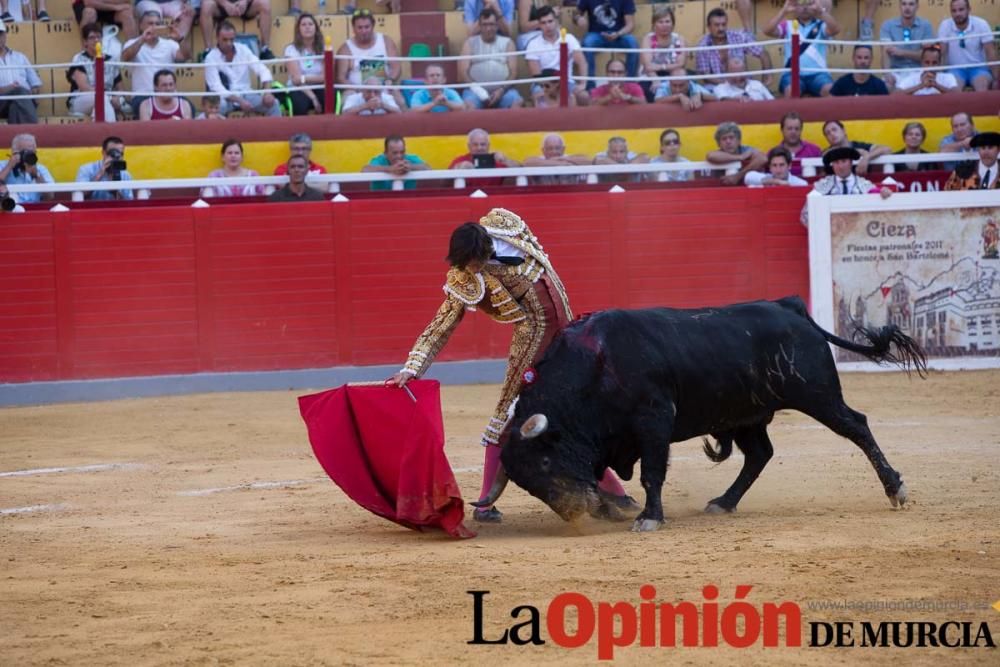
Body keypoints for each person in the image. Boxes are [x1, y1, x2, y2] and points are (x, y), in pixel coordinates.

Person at [388, 209, 637, 523]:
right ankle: (485, 505)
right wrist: (413, 367)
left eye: (476, 262)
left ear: (486, 249)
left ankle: (614, 493)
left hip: (568, 333)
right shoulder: (465, 277)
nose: (473, 269)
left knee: (575, 415)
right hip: (533, 340)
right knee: (509, 413)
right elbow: (442, 325)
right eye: (466, 265)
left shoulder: (506, 227)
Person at [763, 0, 840, 98]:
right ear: (795, 7)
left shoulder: (821, 25)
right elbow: (767, 31)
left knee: (830, 91)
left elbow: (836, 29)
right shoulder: (787, 25)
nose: (805, 8)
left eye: (809, 4)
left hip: (819, 74)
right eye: (800, 4)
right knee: (791, 92)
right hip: (792, 74)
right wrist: (783, 11)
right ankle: (791, 114)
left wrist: (821, 12)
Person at [205, 20, 280, 117]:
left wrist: (267, 93)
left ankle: (274, 132)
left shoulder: (243, 49)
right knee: (216, 108)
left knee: (274, 104)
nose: (229, 43)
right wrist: (240, 101)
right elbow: (216, 88)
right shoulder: (210, 58)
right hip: (226, 99)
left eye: (231, 39)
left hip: (247, 94)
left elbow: (263, 70)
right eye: (225, 40)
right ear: (217, 38)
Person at [121, 11, 189, 116]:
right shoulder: (132, 43)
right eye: (150, 24)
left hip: (169, 93)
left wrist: (180, 39)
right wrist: (142, 39)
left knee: (190, 108)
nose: (154, 27)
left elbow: (185, 56)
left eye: (157, 24)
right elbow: (125, 57)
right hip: (143, 95)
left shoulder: (170, 44)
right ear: (141, 26)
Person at [458, 8, 523, 110]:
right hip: (475, 92)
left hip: (504, 91)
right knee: (468, 106)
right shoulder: (469, 43)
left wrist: (501, 90)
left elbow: (514, 72)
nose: (489, 28)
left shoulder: (508, 43)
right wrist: (479, 91)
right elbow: (463, 72)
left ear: (497, 25)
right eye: (485, 24)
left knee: (516, 102)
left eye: (492, 24)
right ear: (479, 26)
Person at [525, 6, 589, 107]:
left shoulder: (569, 38)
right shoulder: (533, 44)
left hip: (567, 82)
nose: (548, 25)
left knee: (584, 96)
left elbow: (582, 62)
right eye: (543, 23)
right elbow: (536, 75)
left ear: (556, 21)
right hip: (543, 84)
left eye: (550, 21)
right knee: (538, 97)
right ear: (539, 25)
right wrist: (552, 87)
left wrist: (583, 84)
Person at [695, 7, 772, 91]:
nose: (721, 28)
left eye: (724, 24)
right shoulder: (703, 45)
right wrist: (728, 84)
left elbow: (764, 54)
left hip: (743, 83)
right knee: (707, 91)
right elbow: (706, 77)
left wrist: (766, 80)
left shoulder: (738, 36)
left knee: (758, 90)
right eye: (717, 25)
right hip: (718, 86)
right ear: (709, 27)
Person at [573, 0, 639, 89]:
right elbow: (575, 13)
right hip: (597, 35)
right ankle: (590, 87)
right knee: (587, 43)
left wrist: (618, 34)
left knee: (632, 43)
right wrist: (578, 18)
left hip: (619, 35)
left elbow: (630, 24)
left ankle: (629, 86)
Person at [937, 0, 997, 92]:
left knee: (982, 87)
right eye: (954, 11)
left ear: (969, 10)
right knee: (954, 90)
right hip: (954, 69)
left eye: (961, 10)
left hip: (979, 68)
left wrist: (997, 79)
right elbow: (942, 54)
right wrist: (939, 76)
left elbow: (990, 53)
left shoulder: (981, 24)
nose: (957, 14)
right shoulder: (945, 25)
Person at [336, 8, 401, 90]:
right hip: (356, 92)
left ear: (373, 26)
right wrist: (356, 89)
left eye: (367, 27)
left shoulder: (386, 41)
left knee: (401, 101)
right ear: (353, 28)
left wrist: (391, 80)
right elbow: (340, 78)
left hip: (385, 88)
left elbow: (396, 67)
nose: (364, 31)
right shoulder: (345, 48)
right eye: (360, 28)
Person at [67, 22, 120, 122]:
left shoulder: (111, 60)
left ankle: (101, 131)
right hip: (81, 100)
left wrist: (117, 98)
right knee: (101, 98)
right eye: (91, 37)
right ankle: (110, 131)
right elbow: (84, 87)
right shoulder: (79, 59)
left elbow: (119, 87)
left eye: (99, 37)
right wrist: (109, 97)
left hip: (106, 98)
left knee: (104, 100)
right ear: (85, 42)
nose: (96, 40)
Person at [879, 0, 934, 90]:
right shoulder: (888, 25)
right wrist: (887, 73)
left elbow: (927, 56)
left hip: (919, 71)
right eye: (904, 4)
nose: (907, 8)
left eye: (911, 4)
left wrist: (902, 52)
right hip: (896, 71)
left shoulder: (925, 25)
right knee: (886, 85)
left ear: (917, 6)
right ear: (899, 6)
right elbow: (885, 52)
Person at [639, 5, 687, 103]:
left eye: (667, 21)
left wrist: (661, 67)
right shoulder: (648, 39)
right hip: (651, 75)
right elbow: (648, 66)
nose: (664, 25)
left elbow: (681, 64)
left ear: (673, 24)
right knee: (650, 90)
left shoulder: (679, 39)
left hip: (673, 74)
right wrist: (655, 79)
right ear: (654, 24)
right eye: (660, 22)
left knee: (686, 85)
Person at [199, 0, 273, 61]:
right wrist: (225, 4)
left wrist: (245, 2)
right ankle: (208, 50)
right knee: (206, 5)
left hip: (244, 5)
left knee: (264, 3)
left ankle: (265, 49)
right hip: (221, 5)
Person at [283, 12, 326, 115]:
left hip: (318, 86)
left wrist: (302, 78)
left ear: (316, 28)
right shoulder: (291, 49)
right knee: (300, 103)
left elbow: (325, 77)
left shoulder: (324, 49)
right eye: (303, 24)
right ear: (298, 30)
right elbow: (296, 81)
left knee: (329, 97)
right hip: (299, 88)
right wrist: (313, 97)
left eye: (310, 24)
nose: (307, 27)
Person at [812, 146, 894, 198]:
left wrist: (883, 192)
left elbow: (876, 192)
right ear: (832, 165)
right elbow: (807, 213)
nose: (840, 166)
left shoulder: (863, 185)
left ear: (851, 163)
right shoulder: (822, 186)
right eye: (836, 162)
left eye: (844, 161)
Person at [0, 21, 41, 124]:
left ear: (5, 35)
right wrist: (11, 88)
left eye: (0, 34)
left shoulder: (20, 57)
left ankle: (18, 136)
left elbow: (35, 84)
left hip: (22, 100)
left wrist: (33, 92)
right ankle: (34, 132)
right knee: (19, 92)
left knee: (15, 108)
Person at [449, 128, 518, 188]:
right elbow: (446, 180)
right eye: (475, 144)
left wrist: (505, 160)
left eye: (483, 144)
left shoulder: (496, 160)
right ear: (469, 146)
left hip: (493, 199)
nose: (479, 148)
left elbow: (520, 169)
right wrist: (459, 168)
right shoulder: (462, 160)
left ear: (488, 146)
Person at [706, 121, 767, 185]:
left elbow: (763, 159)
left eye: (731, 137)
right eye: (724, 139)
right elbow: (710, 156)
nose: (728, 142)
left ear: (739, 141)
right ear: (719, 144)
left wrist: (737, 176)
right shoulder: (719, 154)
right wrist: (741, 157)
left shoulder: (746, 150)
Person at [822, 120, 891, 176]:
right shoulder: (827, 153)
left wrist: (866, 158)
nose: (832, 134)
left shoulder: (858, 146)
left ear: (843, 131)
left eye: (834, 130)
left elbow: (886, 149)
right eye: (828, 133)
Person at [361, 134, 430, 191]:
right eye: (395, 153)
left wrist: (411, 167)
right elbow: (365, 169)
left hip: (407, 201)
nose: (399, 156)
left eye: (402, 152)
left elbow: (428, 167)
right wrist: (390, 169)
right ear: (386, 153)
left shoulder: (410, 159)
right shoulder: (379, 160)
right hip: (381, 202)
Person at [75, 136, 134, 201]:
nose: (117, 157)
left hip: (114, 210)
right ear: (103, 153)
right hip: (92, 209)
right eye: (113, 153)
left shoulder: (125, 174)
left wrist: (115, 192)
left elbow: (128, 203)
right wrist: (100, 174)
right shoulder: (86, 169)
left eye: (120, 154)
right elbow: (80, 195)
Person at [0, 133, 54, 203]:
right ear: (14, 152)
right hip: (10, 209)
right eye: (26, 152)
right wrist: (9, 167)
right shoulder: (2, 166)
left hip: (33, 209)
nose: (30, 155)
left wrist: (36, 175)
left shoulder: (40, 169)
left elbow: (50, 196)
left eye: (33, 152)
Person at [522, 133, 591, 185]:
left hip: (570, 195)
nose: (554, 151)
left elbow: (588, 161)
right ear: (543, 150)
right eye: (550, 148)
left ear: (563, 149)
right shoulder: (538, 160)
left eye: (557, 148)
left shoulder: (569, 158)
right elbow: (526, 163)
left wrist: (560, 159)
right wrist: (560, 163)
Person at [892, 45, 959, 95]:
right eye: (927, 62)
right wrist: (921, 86)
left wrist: (936, 85)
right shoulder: (912, 78)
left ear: (939, 63)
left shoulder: (948, 77)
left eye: (934, 63)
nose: (930, 66)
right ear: (921, 62)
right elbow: (895, 95)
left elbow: (958, 95)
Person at [773, 111, 823, 177]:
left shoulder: (814, 150)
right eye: (789, 128)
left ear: (801, 130)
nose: (793, 132)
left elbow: (823, 174)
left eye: (797, 129)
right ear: (782, 130)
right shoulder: (773, 153)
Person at [72, 0, 137, 40]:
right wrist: (116, 7)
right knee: (89, 13)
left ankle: (134, 55)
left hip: (106, 5)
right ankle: (86, 54)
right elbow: (89, 2)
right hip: (86, 5)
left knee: (127, 14)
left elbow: (125, 1)